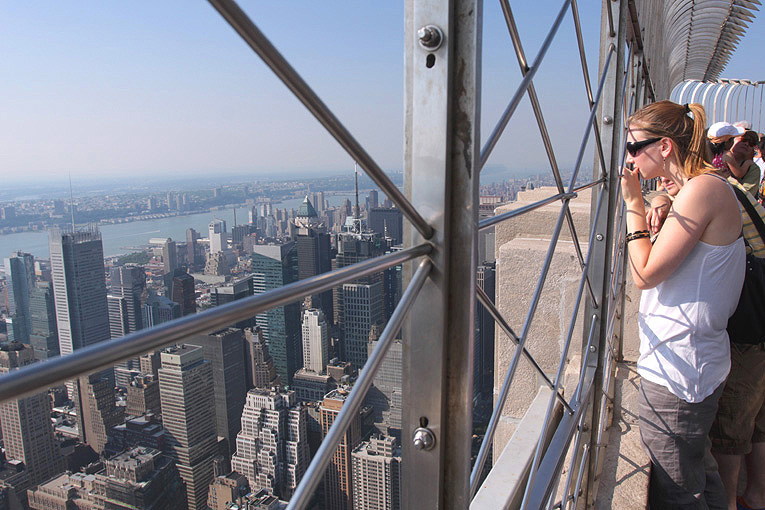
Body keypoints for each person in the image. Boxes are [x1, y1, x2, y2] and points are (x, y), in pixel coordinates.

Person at [621, 101, 745, 508]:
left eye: (635, 147)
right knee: (698, 473)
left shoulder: (705, 190)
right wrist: (661, 200)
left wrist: (634, 204)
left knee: (679, 493)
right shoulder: (700, 188)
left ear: (666, 146)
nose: (630, 157)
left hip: (680, 370)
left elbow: (645, 274)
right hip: (690, 362)